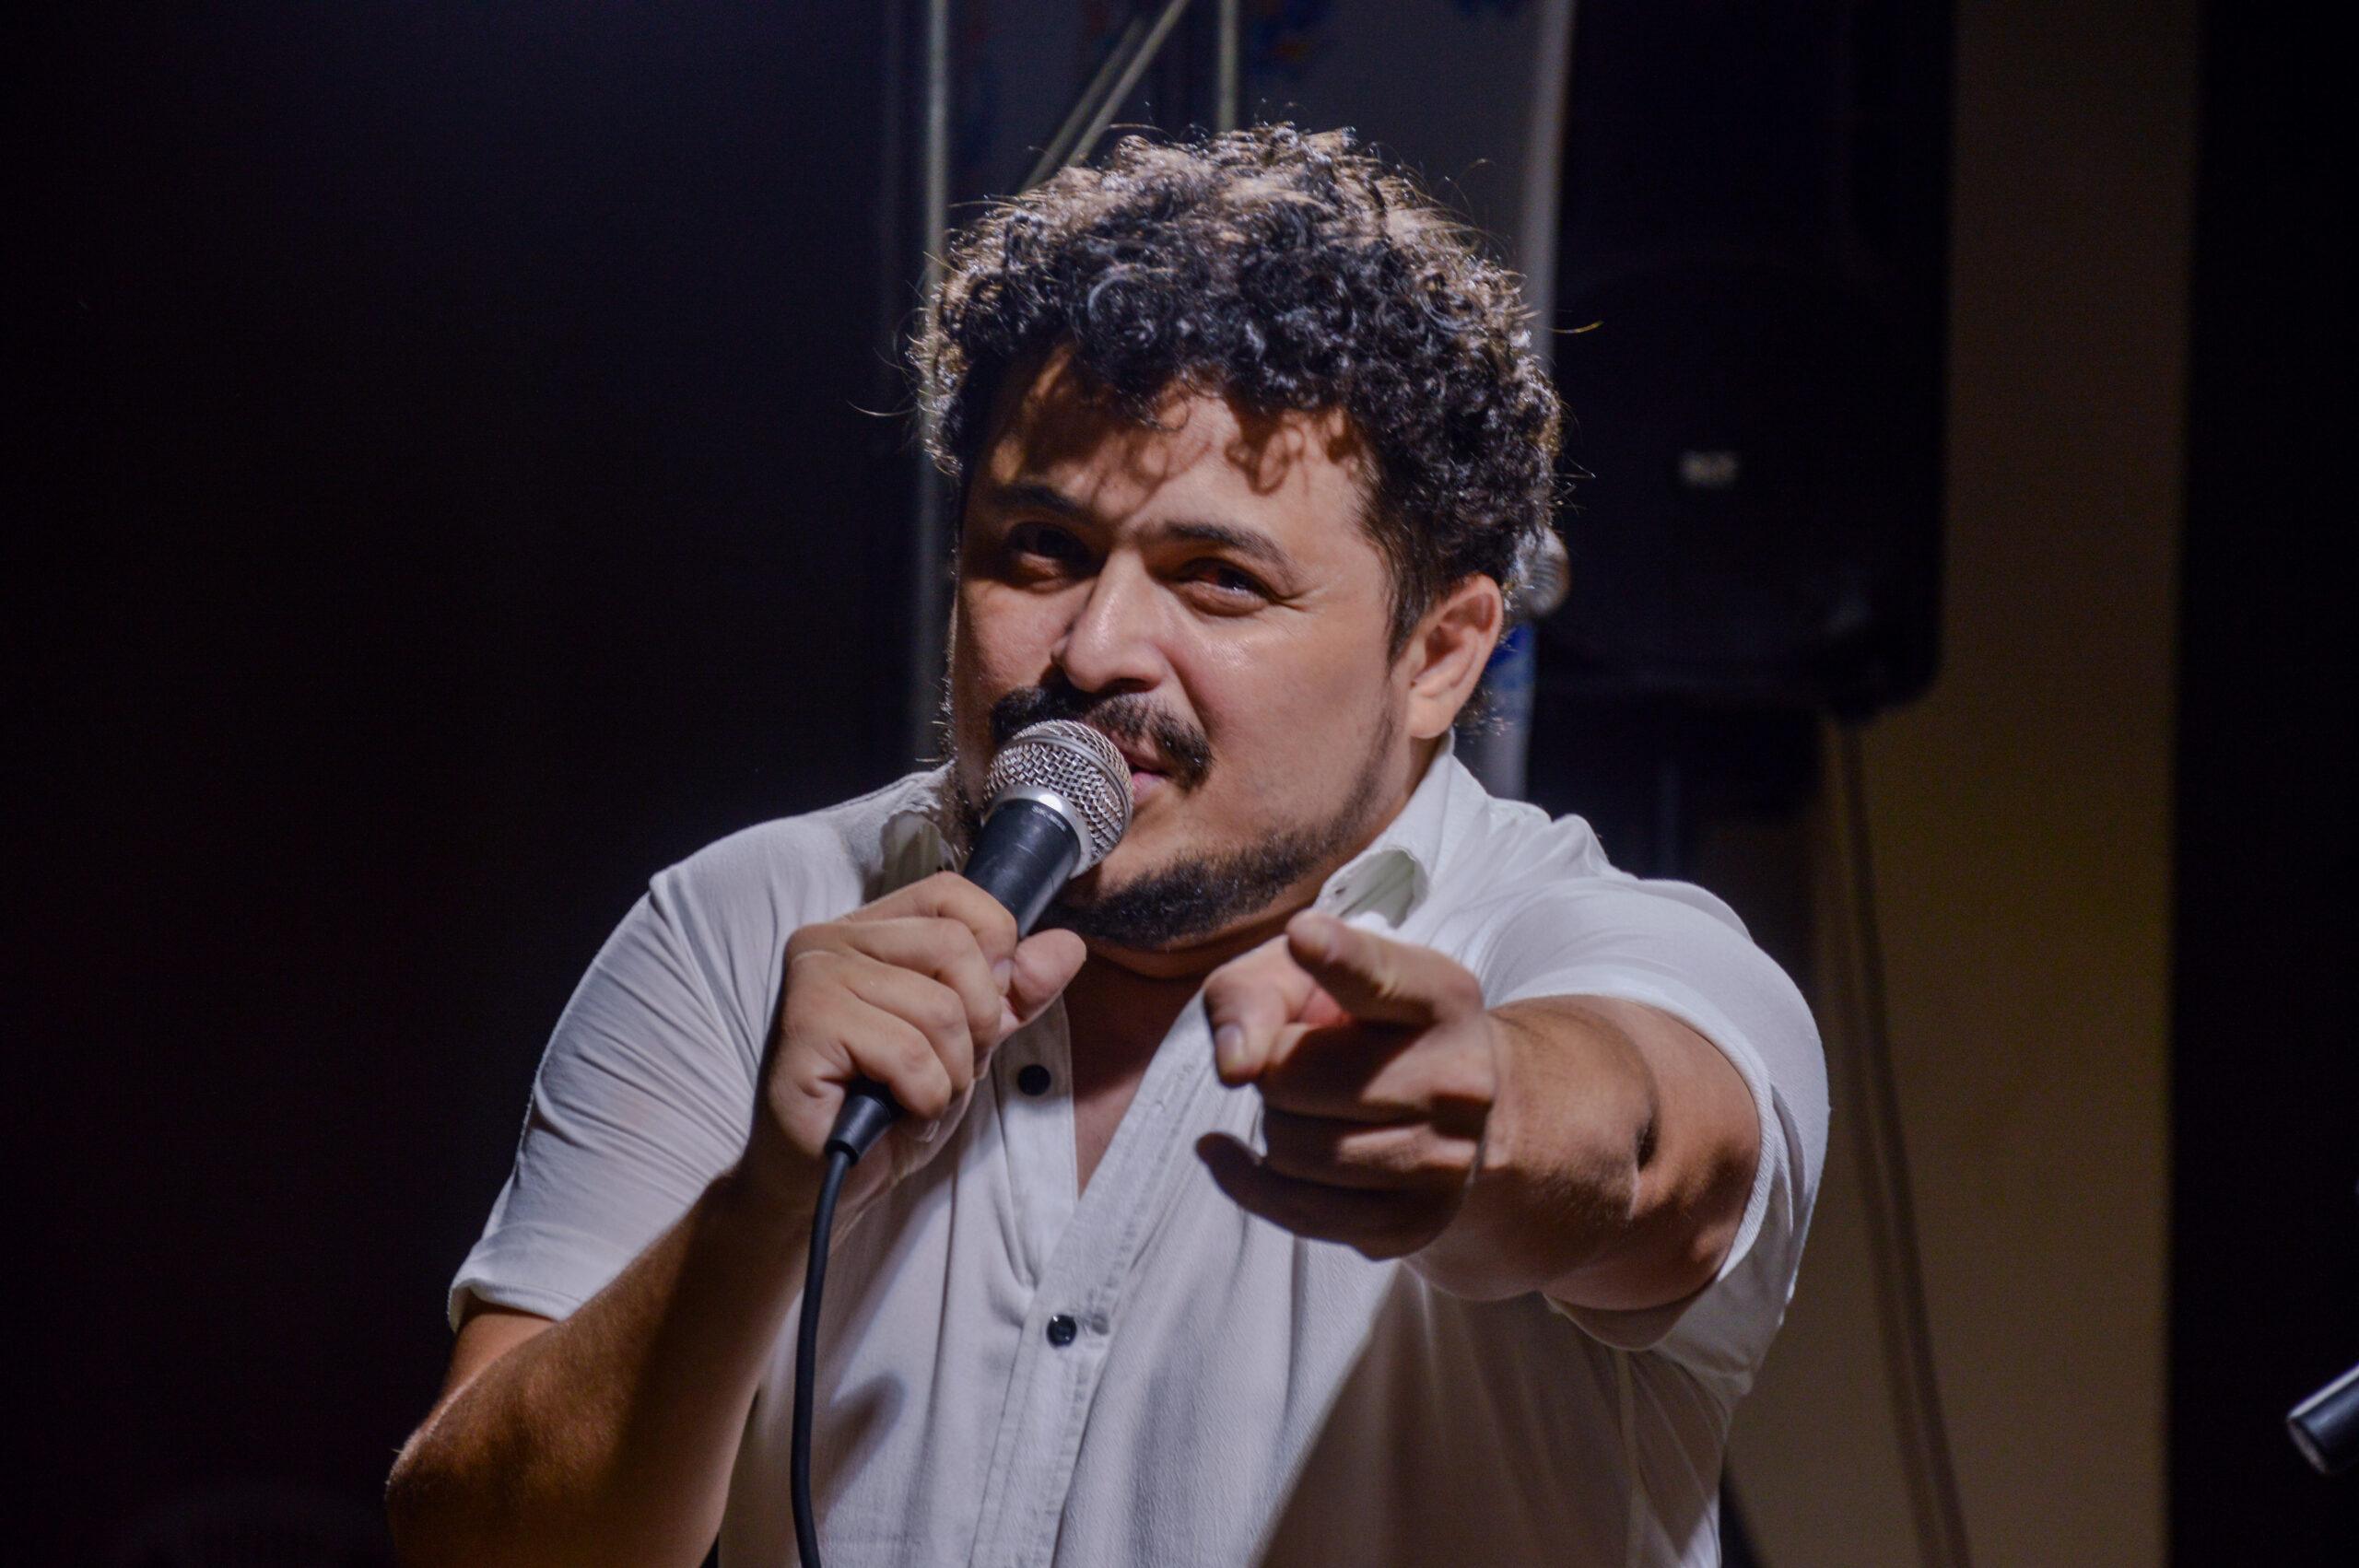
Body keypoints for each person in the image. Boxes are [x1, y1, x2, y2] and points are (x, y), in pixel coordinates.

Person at [386, 123, 1826, 1568]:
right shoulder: (749, 920)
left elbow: (1658, 1149)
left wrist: (1493, 1118)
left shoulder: (1581, 937)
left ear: (1441, 652)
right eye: (1042, 549)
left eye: (1219, 579)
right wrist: (760, 1206)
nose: (1095, 649)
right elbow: (472, 1550)